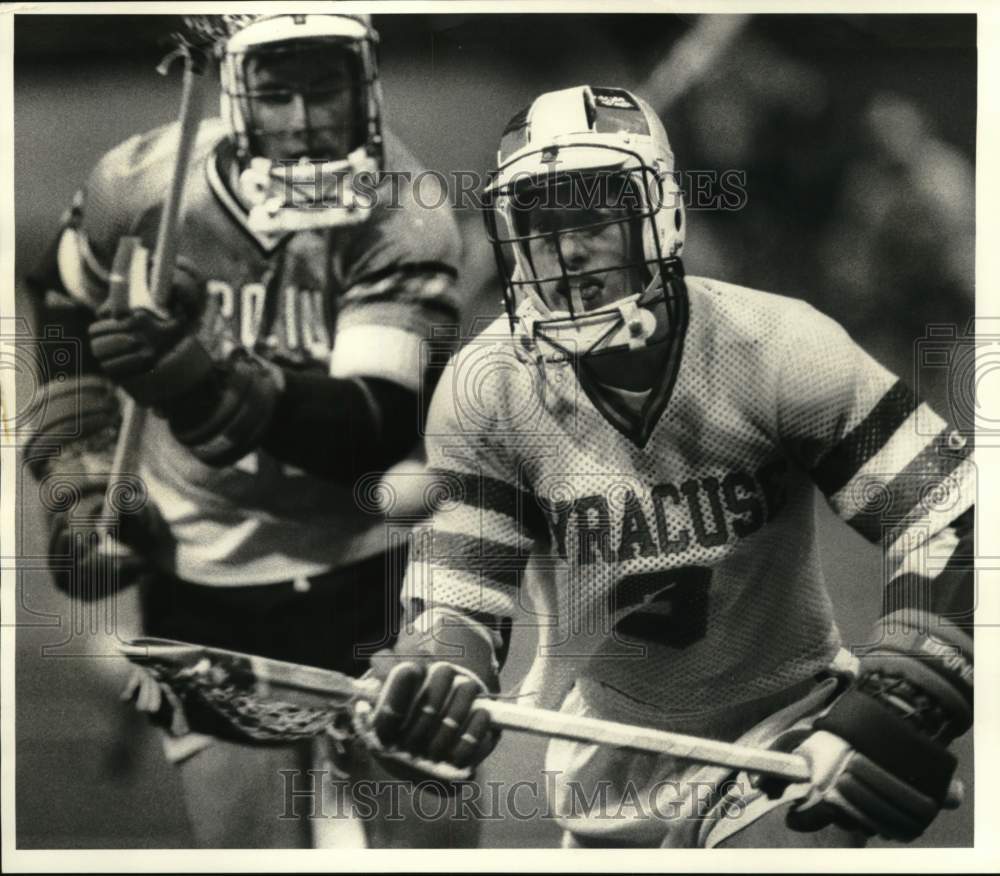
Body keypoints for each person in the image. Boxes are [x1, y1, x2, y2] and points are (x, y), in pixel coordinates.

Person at [360, 85, 975, 848]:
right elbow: (459, 604)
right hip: (606, 771)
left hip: (783, 736)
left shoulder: (779, 347)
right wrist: (438, 681)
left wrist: (901, 697)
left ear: (663, 216)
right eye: (541, 224)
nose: (567, 250)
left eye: (594, 217)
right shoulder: (490, 389)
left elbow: (955, 515)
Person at [23, 13, 466, 848]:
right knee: (247, 851)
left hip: (374, 571)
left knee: (429, 848)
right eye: (276, 93)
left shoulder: (406, 212)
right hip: (202, 582)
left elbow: (366, 429)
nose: (304, 122)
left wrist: (205, 382)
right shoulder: (140, 183)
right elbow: (64, 302)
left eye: (326, 89)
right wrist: (78, 471)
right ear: (233, 92)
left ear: (365, 84)